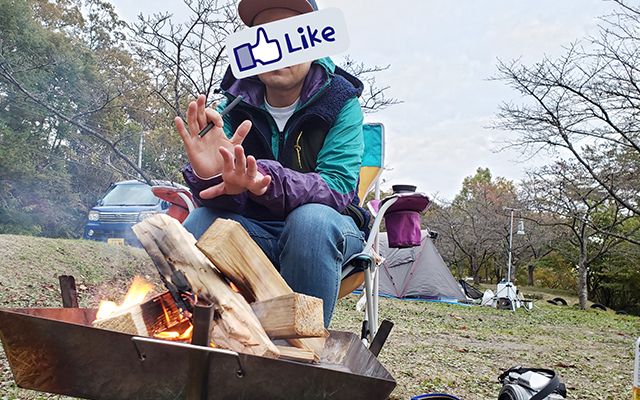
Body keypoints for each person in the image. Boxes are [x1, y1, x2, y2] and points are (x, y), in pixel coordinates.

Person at [174, 0, 368, 328]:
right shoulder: (230, 109)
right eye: (263, 36)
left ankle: (300, 354)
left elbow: (338, 187)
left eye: (290, 35)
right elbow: (227, 200)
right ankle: (209, 343)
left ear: (313, 42)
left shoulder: (342, 102)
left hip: (326, 231)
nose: (275, 47)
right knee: (198, 222)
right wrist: (212, 177)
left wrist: (267, 179)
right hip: (257, 232)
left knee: (310, 223)